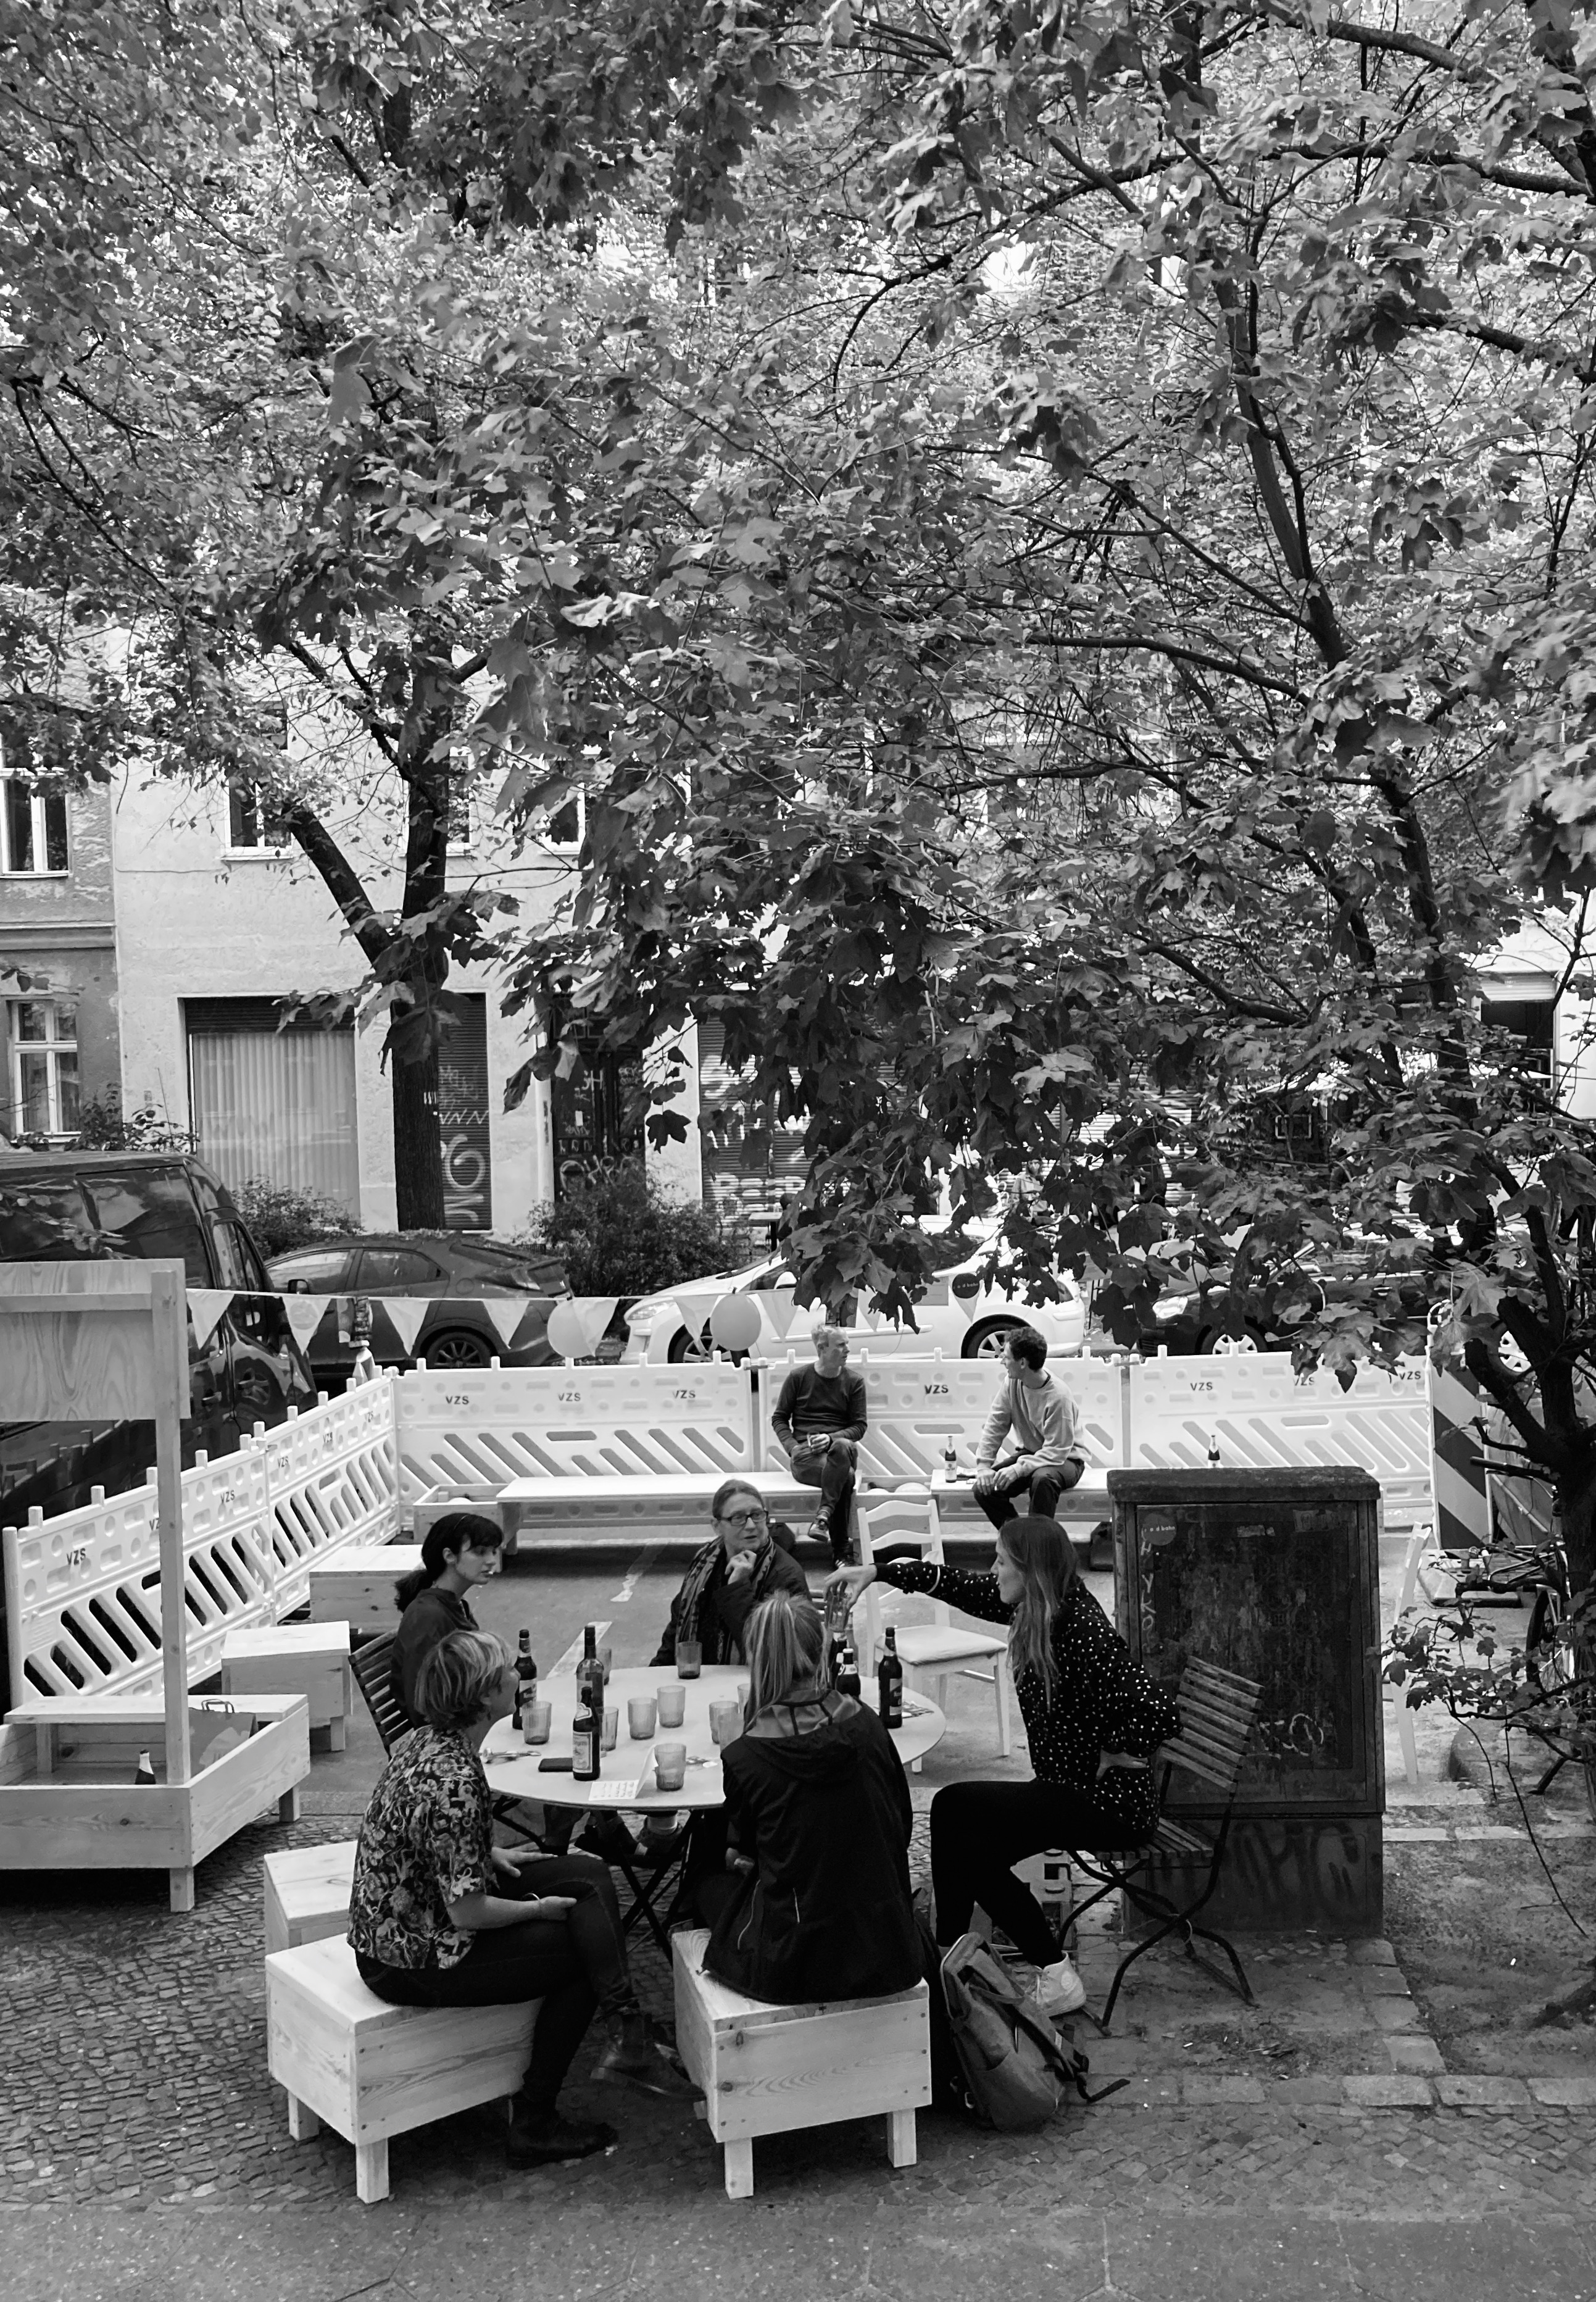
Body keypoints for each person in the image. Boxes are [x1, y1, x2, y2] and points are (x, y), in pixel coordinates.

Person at [348, 1628, 696, 2170]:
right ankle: (534, 2120)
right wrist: (535, 1910)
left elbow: (431, 1838)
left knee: (587, 1872)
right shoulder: (456, 1780)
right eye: (509, 1670)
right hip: (409, 1956)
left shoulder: (426, 1741)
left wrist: (487, 1854)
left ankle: (626, 2030)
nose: (521, 1676)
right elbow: (469, 1911)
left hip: (424, 1912)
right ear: (485, 1696)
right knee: (578, 1950)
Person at [828, 1514, 1179, 2012]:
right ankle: (959, 1960)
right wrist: (880, 1571)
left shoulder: (1079, 1628)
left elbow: (1160, 1712)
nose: (993, 1570)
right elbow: (960, 1585)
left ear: (1030, 1570)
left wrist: (1112, 1749)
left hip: (1109, 1803)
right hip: (1066, 1788)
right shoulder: (1035, 1605)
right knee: (960, 1827)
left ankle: (974, 1965)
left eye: (1002, 1561)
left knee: (957, 1816)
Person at [698, 1591, 921, 2004]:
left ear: (757, 1659)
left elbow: (745, 1851)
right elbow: (901, 1824)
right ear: (822, 1653)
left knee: (705, 1881)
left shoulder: (745, 1755)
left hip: (797, 1962)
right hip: (888, 1941)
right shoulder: (868, 1722)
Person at [650, 1477, 810, 1668]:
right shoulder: (705, 1561)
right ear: (717, 1527)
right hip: (700, 1680)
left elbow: (773, 1654)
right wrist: (654, 1674)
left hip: (755, 1687)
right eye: (738, 1518)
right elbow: (677, 1627)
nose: (751, 1525)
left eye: (757, 1515)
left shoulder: (785, 1575)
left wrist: (737, 1589)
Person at [390, 1511, 505, 1729]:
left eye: (493, 1551)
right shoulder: (427, 1616)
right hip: (445, 1736)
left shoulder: (455, 1604)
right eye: (480, 1552)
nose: (491, 1561)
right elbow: (421, 1704)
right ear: (449, 1556)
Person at [771, 1325, 868, 1566]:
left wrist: (831, 1438)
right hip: (806, 1455)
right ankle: (840, 1551)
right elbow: (779, 1418)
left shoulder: (854, 1382)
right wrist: (793, 1448)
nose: (848, 1350)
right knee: (845, 1477)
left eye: (847, 1344)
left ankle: (824, 1518)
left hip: (841, 1451)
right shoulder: (799, 1378)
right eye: (841, 1345)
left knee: (843, 1446)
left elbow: (859, 1427)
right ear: (822, 1349)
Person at [972, 1327, 1085, 1530]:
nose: (1001, 1361)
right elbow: (996, 1425)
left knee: (1042, 1479)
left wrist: (1018, 1469)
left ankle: (1039, 1546)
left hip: (1066, 1459)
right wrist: (983, 1467)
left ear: (1022, 1362)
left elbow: (1056, 1451)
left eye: (1006, 1357)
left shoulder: (1059, 1397)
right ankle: (1020, 1539)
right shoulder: (1011, 1383)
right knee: (985, 1489)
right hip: (1032, 1454)